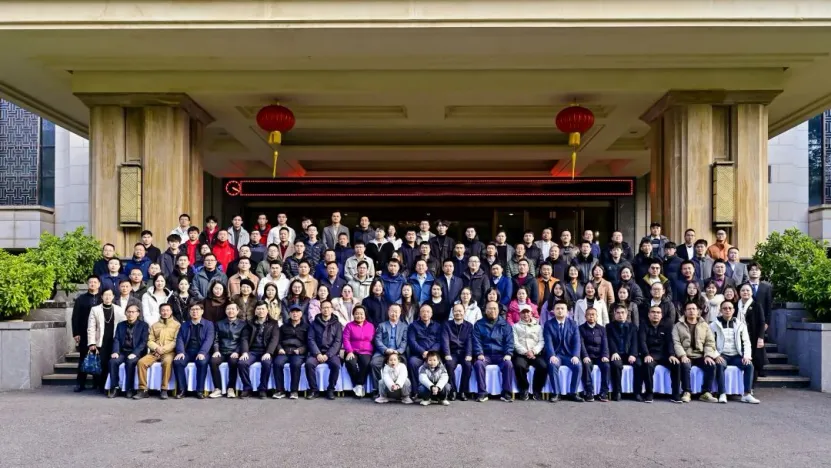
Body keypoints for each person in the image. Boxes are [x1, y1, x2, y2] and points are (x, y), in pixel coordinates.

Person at [711, 301, 760, 404]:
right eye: (725, 308)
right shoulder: (713, 325)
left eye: (730, 308)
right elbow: (709, 343)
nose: (727, 310)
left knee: (749, 365)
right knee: (719, 365)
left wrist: (746, 356)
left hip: (736, 356)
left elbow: (746, 342)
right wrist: (716, 355)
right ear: (720, 310)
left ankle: (747, 394)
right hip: (722, 355)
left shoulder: (740, 325)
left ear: (733, 310)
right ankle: (722, 393)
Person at [673, 302, 720, 403]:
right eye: (689, 309)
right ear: (685, 312)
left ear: (698, 311)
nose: (692, 311)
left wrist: (708, 355)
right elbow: (676, 342)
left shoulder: (704, 325)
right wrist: (682, 355)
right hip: (686, 355)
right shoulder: (678, 325)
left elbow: (710, 342)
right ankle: (687, 392)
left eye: (694, 309)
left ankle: (706, 393)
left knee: (711, 365)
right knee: (685, 365)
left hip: (701, 355)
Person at [133, 304, 180, 400]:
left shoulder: (177, 325)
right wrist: (156, 348)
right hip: (155, 351)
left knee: (167, 362)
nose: (165, 312)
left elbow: (175, 341)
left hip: (169, 352)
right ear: (160, 312)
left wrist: (163, 349)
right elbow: (149, 340)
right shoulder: (154, 325)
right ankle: (143, 389)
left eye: (167, 310)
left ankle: (164, 389)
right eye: (163, 310)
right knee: (141, 362)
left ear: (171, 312)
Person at [472, 301, 515, 403]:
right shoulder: (479, 324)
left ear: (499, 310)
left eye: (495, 308)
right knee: (478, 364)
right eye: (490, 308)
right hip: (485, 355)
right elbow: (476, 341)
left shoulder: (505, 325)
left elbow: (509, 341)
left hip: (500, 355)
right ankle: (482, 393)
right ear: (486, 310)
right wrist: (479, 353)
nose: (492, 311)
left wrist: (508, 353)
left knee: (508, 364)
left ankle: (506, 393)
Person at [236, 301, 279, 399]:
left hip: (266, 351)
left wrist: (268, 352)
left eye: (263, 309)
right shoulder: (249, 323)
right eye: (258, 309)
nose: (261, 311)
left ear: (267, 310)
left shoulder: (273, 323)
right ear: (255, 311)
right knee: (242, 363)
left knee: (267, 363)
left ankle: (262, 389)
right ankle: (247, 388)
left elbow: (274, 339)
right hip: (252, 351)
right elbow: (244, 338)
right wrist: (245, 352)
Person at [639, 305, 681, 403]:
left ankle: (676, 394)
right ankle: (649, 393)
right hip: (651, 354)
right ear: (649, 315)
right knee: (648, 365)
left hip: (664, 355)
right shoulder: (643, 325)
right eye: (653, 312)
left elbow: (670, 341)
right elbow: (642, 341)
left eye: (658, 313)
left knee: (676, 364)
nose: (656, 314)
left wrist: (672, 355)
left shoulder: (667, 325)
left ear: (661, 315)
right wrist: (646, 354)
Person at [544, 301, 583, 402]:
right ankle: (556, 393)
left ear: (567, 311)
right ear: (553, 311)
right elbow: (548, 341)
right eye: (557, 308)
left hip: (569, 355)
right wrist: (552, 355)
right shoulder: (548, 324)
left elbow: (577, 341)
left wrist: (576, 355)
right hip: (556, 354)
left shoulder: (573, 324)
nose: (560, 311)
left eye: (562, 308)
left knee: (578, 365)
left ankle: (573, 393)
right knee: (552, 365)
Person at [173, 303, 214, 399]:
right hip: (187, 351)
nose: (195, 311)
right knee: (178, 362)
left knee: (202, 362)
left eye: (197, 309)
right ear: (189, 312)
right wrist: (181, 352)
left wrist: (202, 352)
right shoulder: (184, 325)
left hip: (202, 351)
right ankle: (182, 390)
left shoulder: (209, 324)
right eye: (192, 310)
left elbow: (209, 340)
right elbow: (179, 339)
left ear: (202, 311)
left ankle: (200, 390)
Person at [87, 289, 125, 392]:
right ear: (102, 297)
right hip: (100, 341)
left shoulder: (119, 309)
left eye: (110, 295)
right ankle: (101, 386)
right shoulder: (95, 309)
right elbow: (91, 327)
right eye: (105, 295)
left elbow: (123, 325)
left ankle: (112, 385)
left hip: (115, 341)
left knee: (111, 363)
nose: (107, 297)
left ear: (113, 297)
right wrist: (92, 342)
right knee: (101, 363)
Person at [107, 304, 148, 398]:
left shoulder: (143, 325)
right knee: (113, 361)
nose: (130, 314)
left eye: (133, 312)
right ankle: (115, 388)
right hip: (122, 351)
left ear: (138, 313)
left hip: (135, 352)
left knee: (130, 362)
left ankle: (130, 389)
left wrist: (135, 353)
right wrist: (115, 351)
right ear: (125, 313)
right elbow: (116, 339)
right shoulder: (120, 325)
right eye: (128, 312)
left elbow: (143, 342)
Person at [305, 300, 343, 400]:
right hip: (316, 353)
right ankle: (314, 390)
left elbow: (338, 341)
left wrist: (328, 355)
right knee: (309, 364)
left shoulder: (337, 324)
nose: (326, 310)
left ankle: (330, 389)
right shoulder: (314, 323)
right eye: (324, 308)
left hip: (331, 353)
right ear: (320, 309)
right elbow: (311, 339)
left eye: (328, 307)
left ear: (332, 309)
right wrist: (317, 353)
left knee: (336, 364)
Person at [208, 302, 246, 399]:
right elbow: (215, 339)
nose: (230, 311)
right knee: (213, 362)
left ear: (237, 311)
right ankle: (218, 389)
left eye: (233, 309)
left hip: (234, 351)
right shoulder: (219, 323)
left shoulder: (243, 324)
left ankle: (231, 388)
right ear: (225, 311)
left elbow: (243, 340)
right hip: (221, 351)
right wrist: (216, 350)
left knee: (233, 362)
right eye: (228, 309)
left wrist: (237, 352)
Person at [606, 304, 641, 401]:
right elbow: (610, 341)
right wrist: (614, 352)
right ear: (614, 314)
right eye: (618, 313)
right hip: (617, 354)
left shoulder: (633, 327)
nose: (620, 315)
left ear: (626, 314)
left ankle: (637, 393)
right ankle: (617, 392)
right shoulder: (609, 327)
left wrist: (633, 354)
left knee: (639, 364)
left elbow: (635, 342)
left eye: (622, 313)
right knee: (616, 365)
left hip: (629, 354)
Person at [370, 304, 409, 394]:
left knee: (404, 364)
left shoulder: (404, 326)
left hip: (398, 352)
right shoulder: (381, 325)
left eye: (396, 312)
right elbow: (377, 340)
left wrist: (398, 351)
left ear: (400, 313)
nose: (394, 313)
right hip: (383, 352)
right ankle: (378, 389)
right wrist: (386, 350)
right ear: (388, 312)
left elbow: (404, 341)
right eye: (392, 311)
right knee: (374, 363)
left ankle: (401, 391)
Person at [407, 304, 443, 397]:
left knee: (441, 365)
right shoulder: (413, 326)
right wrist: (422, 352)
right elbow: (412, 341)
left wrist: (430, 353)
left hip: (433, 355)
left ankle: (438, 392)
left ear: (431, 314)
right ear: (419, 313)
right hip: (419, 355)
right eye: (423, 311)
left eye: (428, 312)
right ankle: (415, 391)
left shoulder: (438, 326)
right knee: (412, 362)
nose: (425, 313)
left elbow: (439, 342)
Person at [512, 305, 547, 401]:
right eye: (523, 312)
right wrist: (526, 352)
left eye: (528, 312)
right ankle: (523, 389)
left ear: (531, 313)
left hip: (535, 354)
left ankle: (537, 390)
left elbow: (541, 342)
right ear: (520, 314)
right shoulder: (515, 326)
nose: (526, 314)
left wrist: (533, 351)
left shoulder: (539, 327)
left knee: (543, 366)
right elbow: (515, 343)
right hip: (521, 354)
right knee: (519, 366)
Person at [274, 304, 309, 399]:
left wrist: (301, 350)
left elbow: (309, 342)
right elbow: (277, 341)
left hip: (298, 353)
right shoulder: (283, 327)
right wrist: (279, 348)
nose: (295, 314)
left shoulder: (306, 327)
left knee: (296, 364)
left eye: (297, 312)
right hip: (284, 352)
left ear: (301, 314)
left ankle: (294, 391)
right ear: (289, 314)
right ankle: (280, 390)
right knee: (277, 363)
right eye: (293, 312)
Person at [442, 303, 473, 401]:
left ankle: (463, 391)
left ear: (464, 312)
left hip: (464, 352)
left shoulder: (469, 326)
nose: (458, 313)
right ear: (452, 312)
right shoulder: (447, 325)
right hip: (452, 352)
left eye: (460, 311)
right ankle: (453, 391)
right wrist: (447, 354)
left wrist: (469, 354)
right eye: (455, 311)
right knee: (449, 364)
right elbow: (445, 340)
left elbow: (469, 341)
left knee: (468, 365)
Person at [343, 305, 376, 398]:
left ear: (365, 315)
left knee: (366, 364)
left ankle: (359, 385)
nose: (359, 316)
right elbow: (345, 339)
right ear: (353, 315)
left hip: (366, 351)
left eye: (361, 314)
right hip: (352, 350)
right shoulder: (349, 326)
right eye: (357, 314)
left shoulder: (370, 326)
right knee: (351, 363)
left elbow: (374, 340)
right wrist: (349, 351)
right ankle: (358, 385)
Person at [578, 307, 610, 402]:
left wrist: (605, 355)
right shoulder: (580, 328)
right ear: (585, 316)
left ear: (597, 316)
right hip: (588, 356)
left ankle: (604, 392)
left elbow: (605, 343)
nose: (591, 316)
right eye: (589, 314)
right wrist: (585, 356)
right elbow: (581, 344)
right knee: (586, 366)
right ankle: (589, 392)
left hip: (600, 356)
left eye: (593, 314)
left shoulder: (602, 329)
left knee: (606, 366)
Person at [737, 283, 767, 382]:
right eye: (743, 290)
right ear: (739, 292)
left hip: (753, 336)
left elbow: (762, 322)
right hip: (738, 336)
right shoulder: (735, 305)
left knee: (753, 359)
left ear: (752, 292)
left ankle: (751, 385)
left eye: (748, 290)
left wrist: (761, 337)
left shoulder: (757, 305)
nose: (745, 292)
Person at [747, 262, 774, 360]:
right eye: (752, 270)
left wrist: (767, 322)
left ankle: (760, 365)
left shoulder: (766, 287)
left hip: (760, 319)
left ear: (760, 272)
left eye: (756, 270)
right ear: (748, 272)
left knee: (760, 343)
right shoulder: (743, 286)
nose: (754, 272)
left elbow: (768, 305)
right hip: (746, 318)